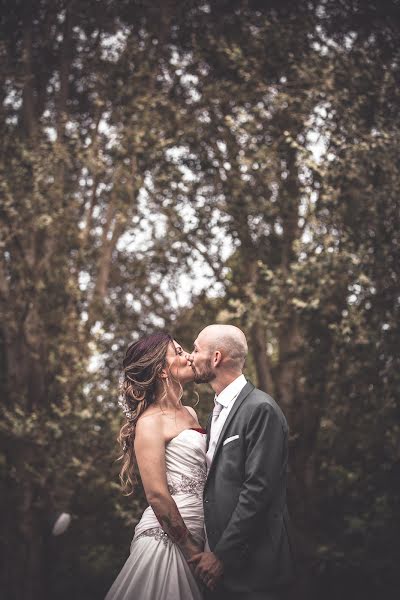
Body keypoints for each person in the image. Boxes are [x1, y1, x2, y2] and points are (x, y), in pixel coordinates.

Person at [188, 324, 294, 600]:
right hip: (219, 572)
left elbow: (258, 489)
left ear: (216, 358)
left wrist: (222, 555)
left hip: (254, 570)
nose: (190, 356)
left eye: (196, 349)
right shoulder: (215, 412)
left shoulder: (261, 409)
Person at [105, 332, 207, 600]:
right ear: (163, 371)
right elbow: (157, 495)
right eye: (179, 351)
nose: (188, 357)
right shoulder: (149, 423)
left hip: (203, 530)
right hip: (169, 541)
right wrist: (191, 550)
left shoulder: (190, 414)